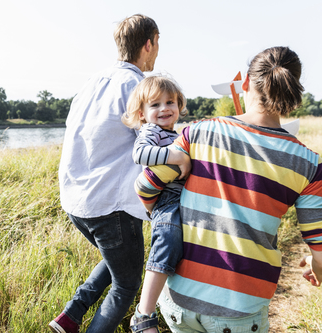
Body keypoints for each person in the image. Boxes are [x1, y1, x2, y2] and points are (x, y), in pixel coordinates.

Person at [135, 46, 322, 332]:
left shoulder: (197, 132)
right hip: (241, 307)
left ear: (245, 83)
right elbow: (320, 252)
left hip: (179, 300)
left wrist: (161, 210)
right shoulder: (308, 163)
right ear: (291, 93)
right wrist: (315, 265)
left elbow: (146, 186)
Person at [49, 14, 160, 333]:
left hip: (75, 202)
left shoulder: (92, 82)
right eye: (157, 45)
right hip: (111, 206)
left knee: (118, 261)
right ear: (148, 44)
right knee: (126, 286)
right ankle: (76, 317)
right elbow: (152, 144)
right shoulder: (139, 86)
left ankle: (71, 315)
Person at [121, 75, 188, 333]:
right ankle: (143, 313)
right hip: (166, 201)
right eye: (155, 105)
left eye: (170, 102)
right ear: (142, 113)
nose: (164, 109)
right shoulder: (151, 131)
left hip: (181, 198)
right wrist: (176, 156)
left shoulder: (175, 133)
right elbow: (139, 153)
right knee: (168, 238)